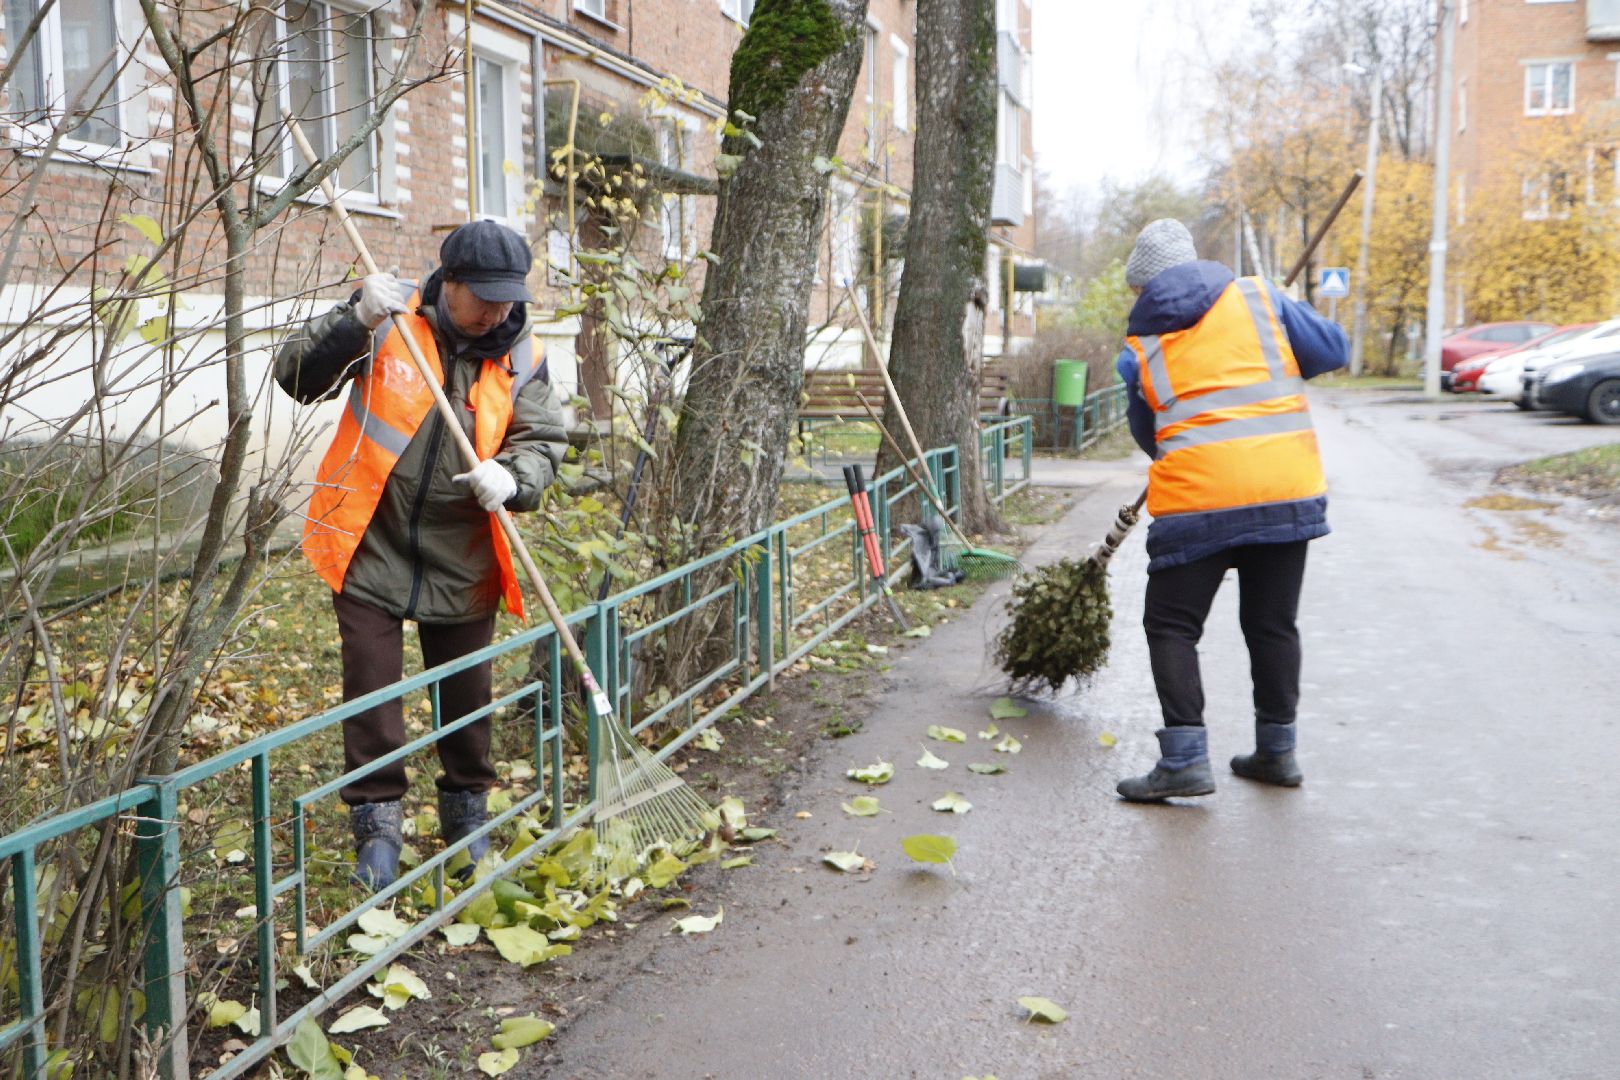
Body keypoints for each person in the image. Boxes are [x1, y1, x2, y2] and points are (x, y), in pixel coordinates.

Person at [275, 220, 568, 888]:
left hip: (462, 551)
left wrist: (515, 476)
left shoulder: (521, 352)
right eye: (484, 295)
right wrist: (352, 320)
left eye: (508, 296)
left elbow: (544, 438)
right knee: (372, 693)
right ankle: (376, 828)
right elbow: (296, 377)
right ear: (449, 283)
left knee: (466, 698)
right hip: (368, 539)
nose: (498, 310)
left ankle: (467, 818)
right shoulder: (390, 317)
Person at [1111, 219, 1347, 803]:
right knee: (1271, 624)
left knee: (1171, 625)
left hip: (1199, 501)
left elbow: (1152, 438)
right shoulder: (1262, 299)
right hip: (1283, 490)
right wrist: (1285, 316)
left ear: (1143, 288)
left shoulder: (1139, 351)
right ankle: (1277, 751)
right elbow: (1332, 353)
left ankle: (1186, 760)